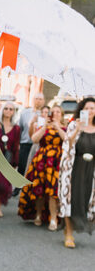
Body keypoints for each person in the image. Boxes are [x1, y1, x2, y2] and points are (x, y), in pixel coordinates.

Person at [18, 103, 66, 230]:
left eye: (58, 112)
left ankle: (53, 218)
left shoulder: (65, 127)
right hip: (42, 160)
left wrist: (58, 127)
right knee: (39, 189)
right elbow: (34, 139)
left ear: (61, 115)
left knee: (53, 191)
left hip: (56, 162)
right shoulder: (43, 126)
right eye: (53, 112)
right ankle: (38, 215)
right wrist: (45, 126)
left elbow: (67, 141)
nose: (55, 114)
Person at [58, 96, 95, 247]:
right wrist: (78, 130)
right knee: (71, 199)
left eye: (92, 108)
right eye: (86, 108)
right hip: (75, 167)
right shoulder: (74, 125)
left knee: (87, 199)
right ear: (81, 110)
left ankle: (80, 225)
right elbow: (67, 145)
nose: (89, 111)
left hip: (92, 168)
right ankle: (69, 233)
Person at [16, 92, 45, 176]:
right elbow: (19, 129)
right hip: (25, 144)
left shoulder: (45, 114)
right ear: (33, 100)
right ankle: (18, 188)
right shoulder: (25, 113)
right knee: (22, 167)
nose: (38, 101)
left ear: (43, 101)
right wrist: (18, 144)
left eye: (40, 99)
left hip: (39, 145)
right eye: (36, 99)